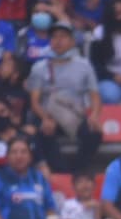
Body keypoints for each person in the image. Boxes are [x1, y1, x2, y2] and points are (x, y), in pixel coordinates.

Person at [27, 23, 102, 173]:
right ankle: (61, 171)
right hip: (47, 113)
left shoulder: (84, 66)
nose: (58, 41)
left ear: (72, 41)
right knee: (44, 132)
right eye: (54, 37)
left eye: (63, 37)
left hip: (74, 114)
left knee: (94, 133)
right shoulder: (39, 68)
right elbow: (35, 102)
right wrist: (45, 118)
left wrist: (94, 115)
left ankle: (78, 170)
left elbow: (95, 96)